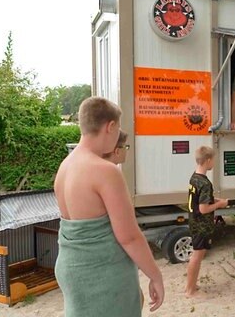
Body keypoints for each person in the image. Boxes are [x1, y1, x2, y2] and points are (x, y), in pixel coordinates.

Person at [54, 96, 164, 316]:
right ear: (110, 126)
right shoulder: (105, 170)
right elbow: (129, 236)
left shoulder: (65, 167)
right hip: (102, 272)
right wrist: (155, 275)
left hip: (71, 268)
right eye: (118, 129)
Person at [185, 146, 229, 297]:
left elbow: (200, 200)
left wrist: (216, 200)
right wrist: (220, 204)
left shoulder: (194, 177)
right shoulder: (205, 183)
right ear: (208, 160)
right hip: (201, 224)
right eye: (213, 160)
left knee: (199, 255)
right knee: (197, 256)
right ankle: (189, 289)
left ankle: (192, 285)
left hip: (194, 221)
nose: (214, 163)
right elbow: (203, 209)